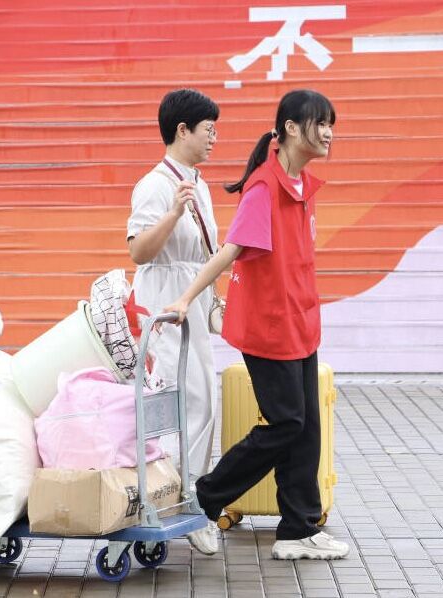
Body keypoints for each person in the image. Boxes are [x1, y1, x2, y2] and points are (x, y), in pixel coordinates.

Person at [162, 89, 349, 560]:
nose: (328, 133)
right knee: (286, 423)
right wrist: (186, 298)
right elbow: (230, 250)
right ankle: (206, 497)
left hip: (300, 323)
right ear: (290, 128)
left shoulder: (301, 186)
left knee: (306, 427)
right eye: (320, 122)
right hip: (268, 328)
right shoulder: (264, 188)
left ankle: (299, 529)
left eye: (331, 124)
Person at [126, 88, 221, 555]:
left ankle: (188, 497)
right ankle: (176, 499)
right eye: (207, 130)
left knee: (204, 401)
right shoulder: (155, 184)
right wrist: (173, 213)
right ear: (182, 130)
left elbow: (206, 251)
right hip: (164, 305)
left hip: (193, 303)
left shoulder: (199, 181)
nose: (213, 138)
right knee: (180, 401)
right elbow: (139, 252)